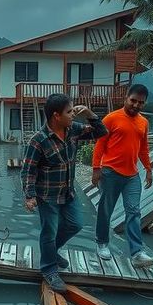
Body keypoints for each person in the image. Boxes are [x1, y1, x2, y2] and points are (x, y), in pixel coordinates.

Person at [21, 93, 107, 293]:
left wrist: (89, 113)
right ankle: (49, 269)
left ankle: (51, 252)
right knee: (49, 232)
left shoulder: (73, 130)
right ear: (56, 116)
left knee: (76, 224)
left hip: (68, 192)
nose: (73, 115)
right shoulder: (38, 141)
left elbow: (101, 131)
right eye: (69, 112)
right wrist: (30, 196)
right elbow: (28, 170)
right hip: (47, 196)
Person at [92, 83, 153, 268]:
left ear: (144, 104)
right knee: (106, 210)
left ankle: (137, 253)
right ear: (126, 98)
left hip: (132, 176)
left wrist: (148, 169)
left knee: (134, 212)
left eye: (140, 103)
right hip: (110, 172)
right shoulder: (111, 119)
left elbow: (143, 148)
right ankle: (102, 243)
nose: (136, 105)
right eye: (133, 100)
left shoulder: (143, 122)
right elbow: (100, 145)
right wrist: (96, 169)